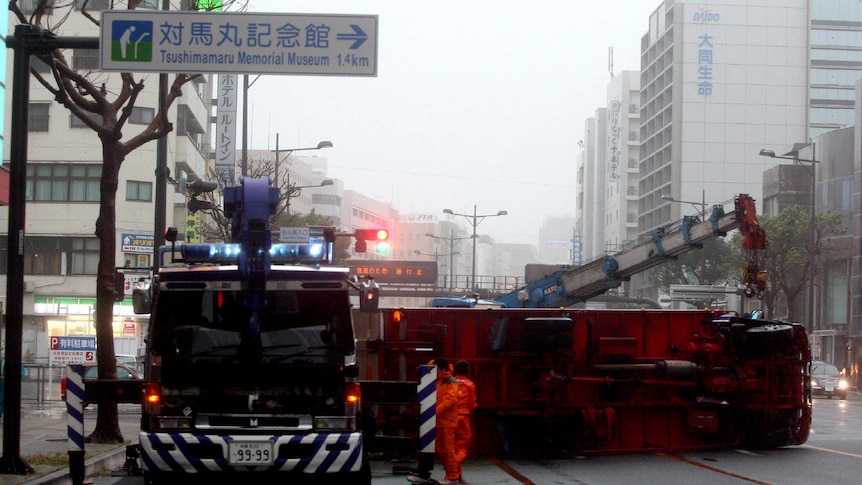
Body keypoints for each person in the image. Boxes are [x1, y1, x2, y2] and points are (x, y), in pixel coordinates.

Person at [434, 358, 461, 485]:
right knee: (441, 449)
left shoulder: (449, 381)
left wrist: (434, 411)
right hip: (439, 420)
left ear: (440, 368)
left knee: (447, 449)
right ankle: (450, 475)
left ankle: (452, 476)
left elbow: (451, 399)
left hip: (446, 421)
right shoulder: (438, 380)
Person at [453, 360, 476, 483]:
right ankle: (453, 466)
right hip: (463, 416)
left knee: (452, 446)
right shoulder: (469, 384)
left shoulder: (448, 383)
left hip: (449, 418)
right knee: (462, 446)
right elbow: (472, 404)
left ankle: (457, 472)